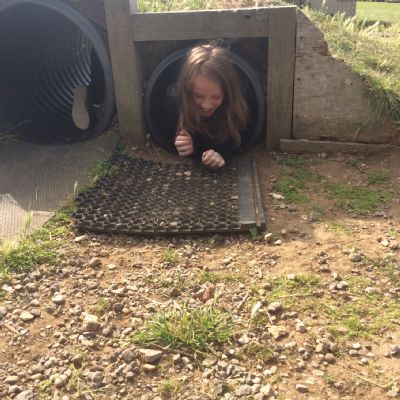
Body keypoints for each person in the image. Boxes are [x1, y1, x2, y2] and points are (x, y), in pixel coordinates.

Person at [174, 42, 248, 169]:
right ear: (187, 91)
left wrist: (222, 154)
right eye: (198, 96)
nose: (206, 106)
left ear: (227, 93)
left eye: (216, 97)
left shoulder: (235, 108)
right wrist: (184, 145)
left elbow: (239, 137)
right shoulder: (177, 104)